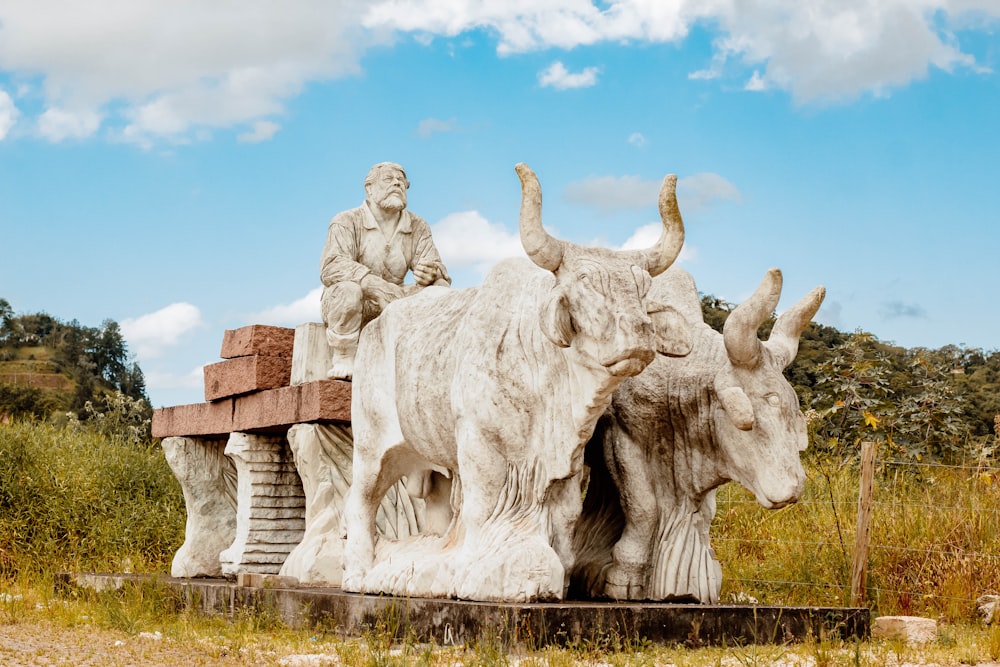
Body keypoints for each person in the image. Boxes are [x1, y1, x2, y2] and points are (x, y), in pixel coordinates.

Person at [320, 162, 451, 380]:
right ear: (369, 189)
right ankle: (343, 355)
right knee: (348, 290)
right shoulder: (346, 221)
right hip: (353, 301)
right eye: (388, 179)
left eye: (402, 181)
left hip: (394, 300)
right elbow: (331, 265)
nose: (397, 183)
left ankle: (429, 353)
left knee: (440, 289)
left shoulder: (418, 225)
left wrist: (431, 273)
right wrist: (374, 284)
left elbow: (435, 266)